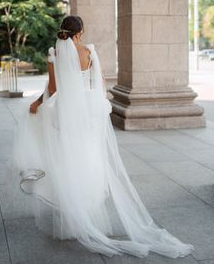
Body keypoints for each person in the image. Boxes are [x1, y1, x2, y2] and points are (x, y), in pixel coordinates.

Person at [13, 15, 194, 258]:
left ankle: (71, 215)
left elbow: (53, 89)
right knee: (88, 157)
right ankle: (88, 213)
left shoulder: (53, 53)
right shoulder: (89, 52)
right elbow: (98, 84)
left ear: (63, 31)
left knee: (67, 157)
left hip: (65, 111)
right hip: (87, 112)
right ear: (80, 32)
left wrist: (36, 102)